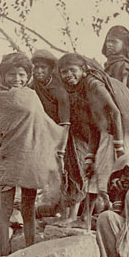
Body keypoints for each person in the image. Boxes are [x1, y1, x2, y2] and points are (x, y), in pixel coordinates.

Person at [0, 53, 65, 257]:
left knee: (28, 206)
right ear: (3, 76)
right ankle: (4, 254)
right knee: (5, 208)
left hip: (31, 154)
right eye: (11, 75)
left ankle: (30, 251)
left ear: (27, 76)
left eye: (21, 74)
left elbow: (41, 119)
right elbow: (10, 121)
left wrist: (60, 135)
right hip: (10, 153)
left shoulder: (32, 95)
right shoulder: (3, 96)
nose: (17, 79)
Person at [57, 53, 127, 229]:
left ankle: (122, 217)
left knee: (110, 178)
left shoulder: (93, 84)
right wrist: (90, 155)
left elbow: (115, 112)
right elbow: (93, 123)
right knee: (93, 177)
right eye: (64, 72)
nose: (68, 75)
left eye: (72, 70)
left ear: (84, 70)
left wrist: (119, 147)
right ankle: (85, 218)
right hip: (101, 134)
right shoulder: (78, 90)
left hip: (113, 133)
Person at [30, 49, 73, 215]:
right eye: (35, 68)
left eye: (43, 67)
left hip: (64, 136)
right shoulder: (33, 87)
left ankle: (66, 209)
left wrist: (61, 148)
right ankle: (51, 204)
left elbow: (66, 123)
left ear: (50, 69)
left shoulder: (59, 90)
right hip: (43, 134)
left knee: (63, 171)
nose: (39, 71)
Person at [101, 25, 129, 94]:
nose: (109, 44)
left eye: (114, 42)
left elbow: (122, 91)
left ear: (124, 45)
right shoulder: (109, 64)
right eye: (108, 41)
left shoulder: (124, 65)